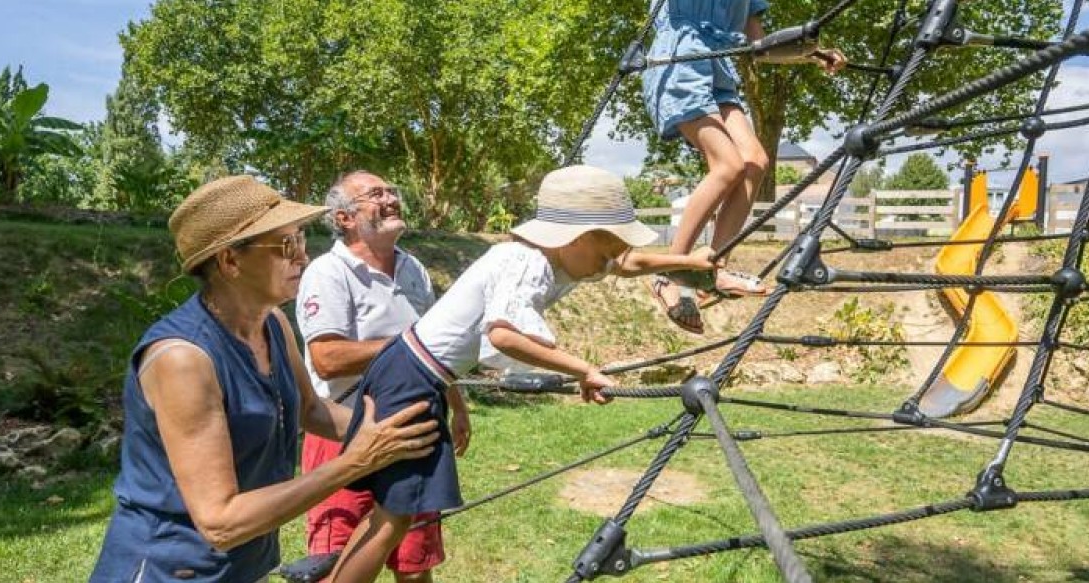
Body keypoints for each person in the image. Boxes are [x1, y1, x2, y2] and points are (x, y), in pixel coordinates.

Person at [325, 165, 719, 583]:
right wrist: (584, 368)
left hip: (414, 374)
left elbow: (627, 262)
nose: (609, 261)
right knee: (392, 521)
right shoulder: (523, 262)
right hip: (411, 380)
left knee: (392, 516)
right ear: (577, 238)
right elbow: (505, 336)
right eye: (605, 249)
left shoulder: (552, 259)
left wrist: (689, 261)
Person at [89, 175, 440, 583]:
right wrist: (358, 460)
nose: (303, 258)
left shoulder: (272, 323)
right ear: (230, 261)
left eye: (302, 240)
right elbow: (220, 522)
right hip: (169, 571)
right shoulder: (183, 359)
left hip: (241, 567)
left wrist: (394, 433)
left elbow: (311, 410)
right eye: (286, 245)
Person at [641, 0, 847, 333]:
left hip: (719, 68)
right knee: (728, 165)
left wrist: (812, 53)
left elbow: (760, 46)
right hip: (679, 61)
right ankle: (667, 275)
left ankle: (715, 268)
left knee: (755, 161)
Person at [294, 171, 448, 582]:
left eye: (392, 190)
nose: (392, 198)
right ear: (344, 218)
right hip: (341, 432)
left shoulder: (414, 268)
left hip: (413, 428)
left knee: (415, 561)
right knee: (338, 562)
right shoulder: (328, 272)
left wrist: (458, 405)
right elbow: (327, 358)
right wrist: (408, 345)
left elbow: (436, 349)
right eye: (376, 194)